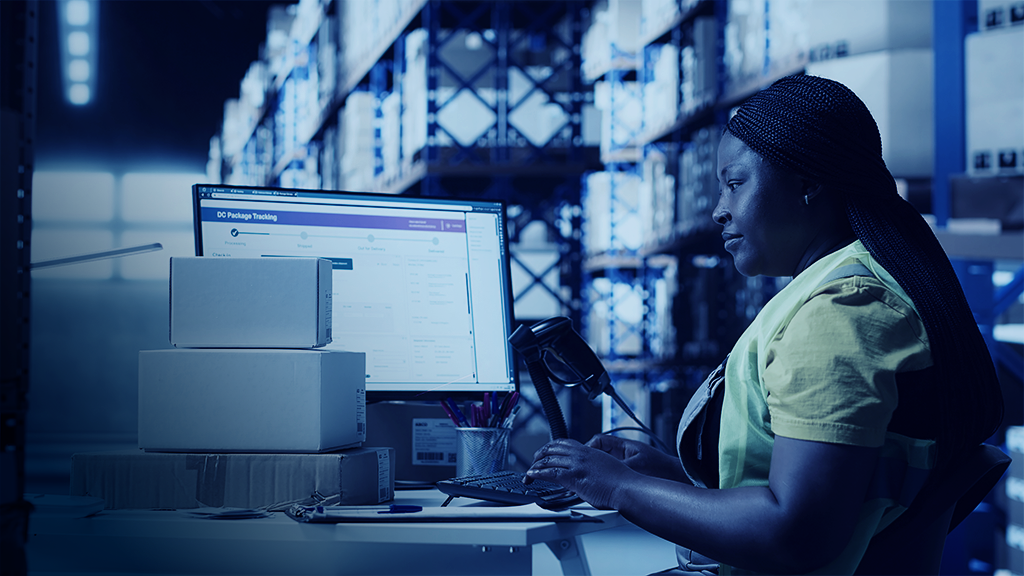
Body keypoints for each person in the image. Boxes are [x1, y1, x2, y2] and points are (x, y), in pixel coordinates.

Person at [524, 74, 1004, 574]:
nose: (719, 211)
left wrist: (620, 487)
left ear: (808, 184)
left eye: (735, 184)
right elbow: (829, 491)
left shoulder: (840, 312)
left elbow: (794, 533)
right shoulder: (836, 291)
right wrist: (663, 477)